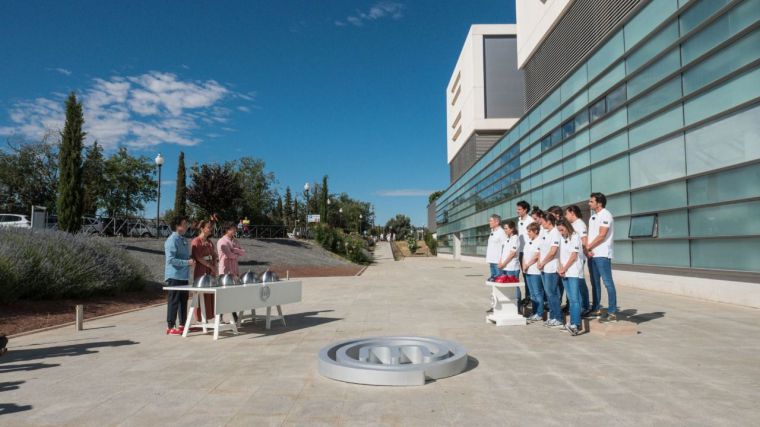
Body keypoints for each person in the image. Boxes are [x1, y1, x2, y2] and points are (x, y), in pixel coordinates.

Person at [587, 192, 618, 322]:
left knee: (607, 283)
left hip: (602, 255)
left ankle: (612, 313)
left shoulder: (606, 215)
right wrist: (588, 250)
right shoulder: (593, 217)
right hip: (592, 255)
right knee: (595, 283)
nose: (589, 203)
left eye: (591, 201)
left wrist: (588, 247)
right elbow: (591, 235)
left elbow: (602, 235)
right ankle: (597, 308)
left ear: (599, 203)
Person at [164, 216, 195, 335]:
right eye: (184, 223)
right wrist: (187, 262)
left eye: (186, 224)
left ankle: (183, 324)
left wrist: (190, 260)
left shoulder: (183, 239)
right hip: (174, 276)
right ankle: (170, 326)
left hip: (183, 276)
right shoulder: (172, 240)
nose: (186, 226)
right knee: (174, 301)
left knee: (183, 300)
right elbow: (171, 260)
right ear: (177, 226)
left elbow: (184, 257)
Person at [557, 219, 583, 336]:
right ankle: (571, 323)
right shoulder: (563, 238)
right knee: (571, 300)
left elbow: (573, 256)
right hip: (564, 272)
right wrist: (560, 268)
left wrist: (564, 268)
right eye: (559, 230)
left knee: (574, 299)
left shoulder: (575, 236)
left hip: (572, 272)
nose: (561, 232)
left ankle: (575, 325)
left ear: (567, 226)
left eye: (562, 230)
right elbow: (560, 255)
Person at [537, 212, 563, 328]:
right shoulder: (546, 233)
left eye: (543, 221)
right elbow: (542, 250)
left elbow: (553, 252)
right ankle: (552, 317)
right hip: (544, 267)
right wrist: (539, 262)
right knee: (549, 294)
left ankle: (558, 318)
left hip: (551, 268)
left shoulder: (555, 233)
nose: (541, 223)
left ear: (549, 222)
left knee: (552, 293)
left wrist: (543, 262)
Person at [565, 205, 591, 316]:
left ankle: (584, 306)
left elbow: (584, 240)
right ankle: (580, 305)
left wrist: (584, 253)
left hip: (579, 257)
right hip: (574, 257)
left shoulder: (580, 224)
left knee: (579, 281)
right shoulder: (572, 224)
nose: (566, 216)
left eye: (566, 213)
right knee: (578, 282)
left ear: (572, 212)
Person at [218, 223, 246, 324]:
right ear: (227, 230)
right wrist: (236, 253)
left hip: (234, 271)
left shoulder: (235, 241)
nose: (235, 231)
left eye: (235, 229)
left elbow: (243, 252)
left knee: (233, 295)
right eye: (233, 229)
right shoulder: (221, 241)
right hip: (225, 272)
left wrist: (235, 250)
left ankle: (234, 317)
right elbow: (229, 255)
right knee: (223, 295)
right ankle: (220, 317)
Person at [191, 220, 218, 322]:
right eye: (208, 227)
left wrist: (214, 267)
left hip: (210, 268)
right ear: (202, 228)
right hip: (201, 269)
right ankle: (200, 317)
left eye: (211, 227)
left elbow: (214, 255)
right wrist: (210, 266)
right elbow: (198, 257)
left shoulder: (210, 242)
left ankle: (207, 316)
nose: (210, 229)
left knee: (209, 293)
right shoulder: (196, 241)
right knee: (201, 291)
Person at [522, 222, 544, 323]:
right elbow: (524, 255)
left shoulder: (539, 241)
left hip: (535, 271)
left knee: (537, 293)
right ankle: (534, 312)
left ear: (536, 231)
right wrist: (523, 265)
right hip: (527, 270)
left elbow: (536, 256)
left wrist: (527, 265)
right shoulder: (529, 241)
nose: (528, 233)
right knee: (532, 294)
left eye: (529, 231)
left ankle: (539, 313)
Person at [516, 200, 534, 305]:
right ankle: (528, 297)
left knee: (529, 275)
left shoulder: (530, 220)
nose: (517, 211)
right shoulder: (519, 221)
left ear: (525, 210)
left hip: (528, 251)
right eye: (517, 209)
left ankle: (531, 297)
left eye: (519, 209)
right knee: (524, 275)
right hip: (521, 251)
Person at [485, 214, 508, 281]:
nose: (489, 222)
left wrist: (501, 261)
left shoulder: (501, 232)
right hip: (492, 261)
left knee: (499, 281)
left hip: (497, 262)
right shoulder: (492, 232)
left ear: (497, 222)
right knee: (493, 282)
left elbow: (504, 247)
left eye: (491, 221)